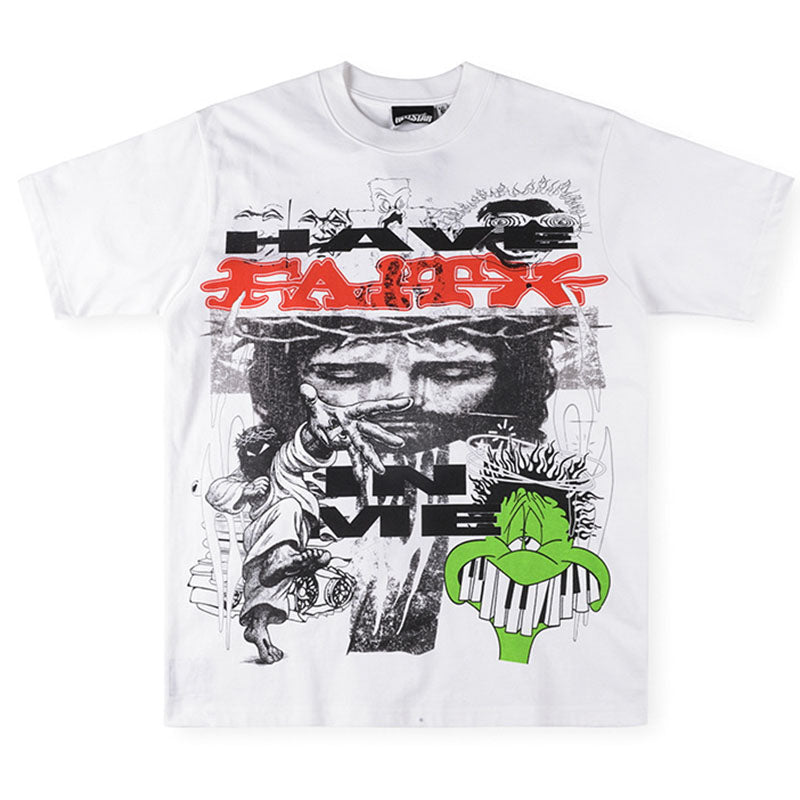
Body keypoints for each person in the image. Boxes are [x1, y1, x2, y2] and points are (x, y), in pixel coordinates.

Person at [207, 383, 411, 664]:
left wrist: (319, 438)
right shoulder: (242, 477)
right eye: (249, 456)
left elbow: (299, 451)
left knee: (271, 584)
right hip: (262, 535)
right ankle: (282, 560)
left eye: (261, 454)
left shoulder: (281, 464)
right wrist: (245, 490)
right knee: (288, 511)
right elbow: (215, 492)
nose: (255, 462)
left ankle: (258, 629)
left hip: (290, 539)